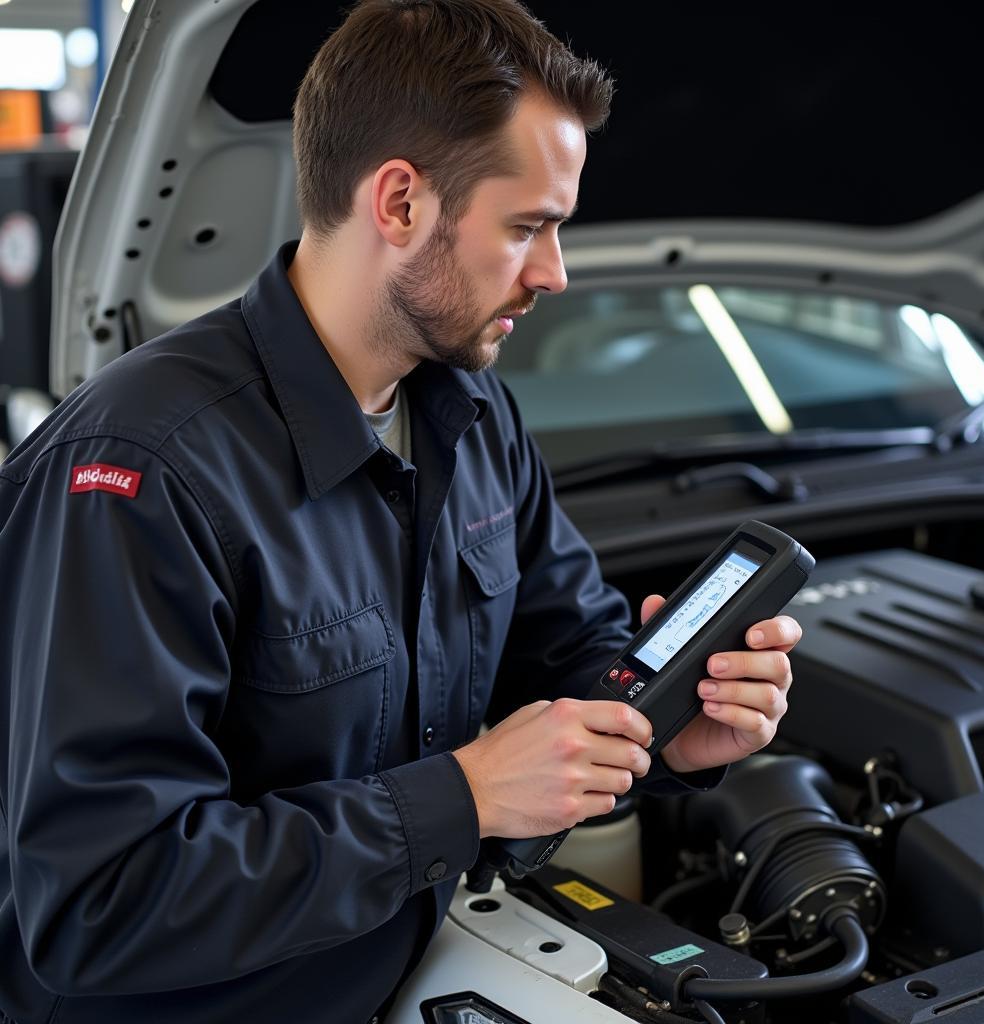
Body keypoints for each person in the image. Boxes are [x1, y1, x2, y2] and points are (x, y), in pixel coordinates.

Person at [0, 1, 801, 1021]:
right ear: (399, 204)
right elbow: (97, 904)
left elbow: (562, 651)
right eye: (528, 227)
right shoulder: (142, 473)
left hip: (420, 975)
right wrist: (458, 800)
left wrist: (666, 735)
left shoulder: (470, 412)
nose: (553, 272)